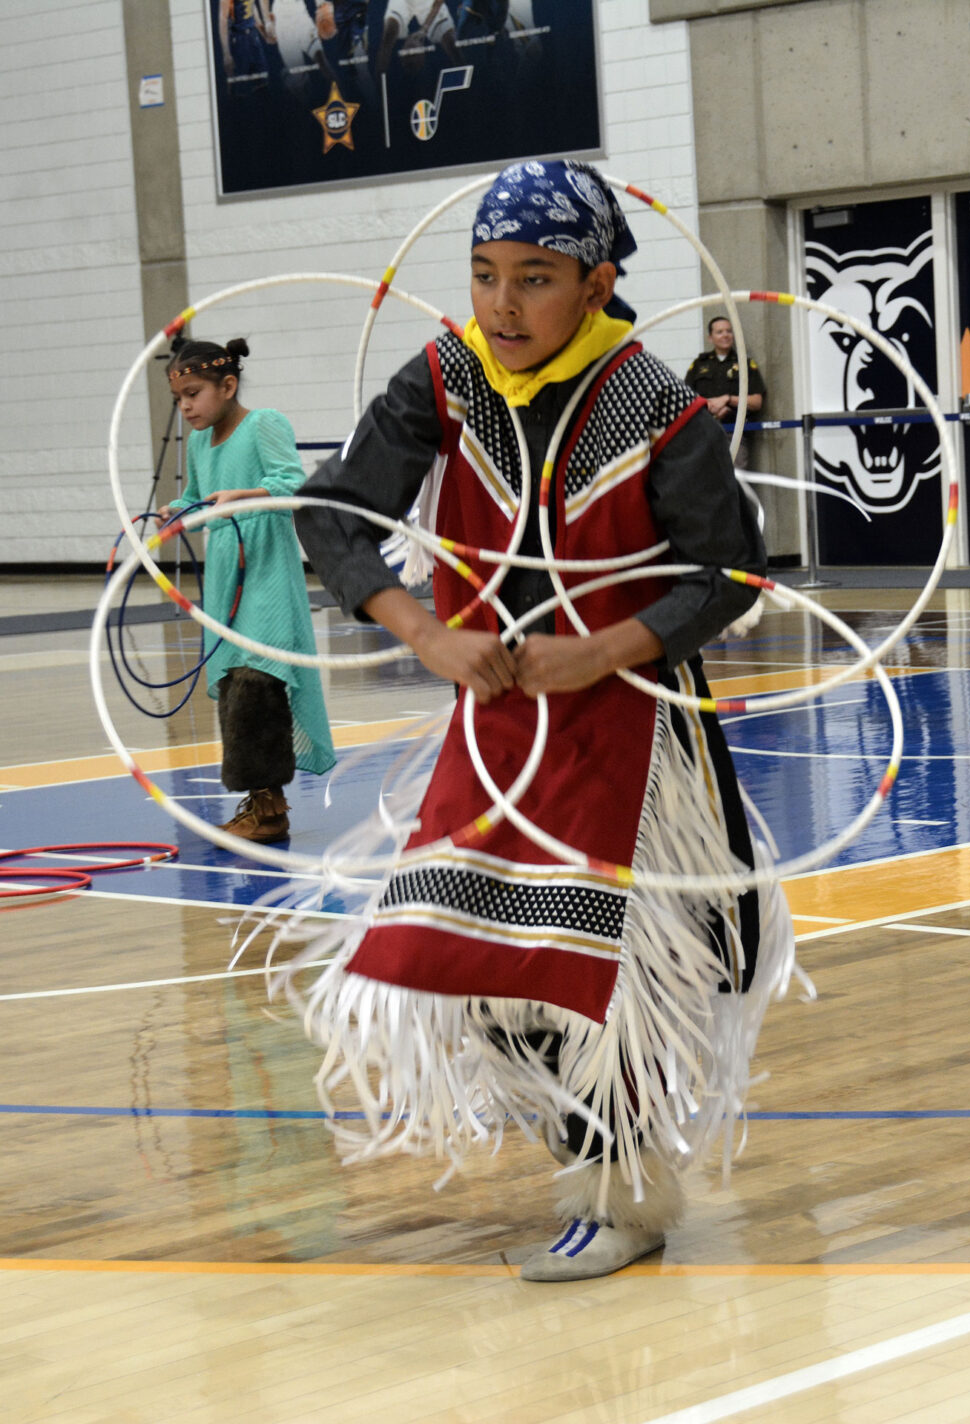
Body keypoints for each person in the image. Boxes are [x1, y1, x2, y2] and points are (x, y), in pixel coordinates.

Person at [289, 159, 794, 1281]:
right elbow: (329, 517)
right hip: (494, 726)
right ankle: (584, 1164)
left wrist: (602, 649)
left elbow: (729, 573)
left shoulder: (656, 402)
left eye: (535, 277)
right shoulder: (447, 377)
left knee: (604, 981)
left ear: (598, 279)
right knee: (477, 960)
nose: (503, 305)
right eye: (483, 276)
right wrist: (422, 631)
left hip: (633, 730)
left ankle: (622, 1195)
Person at [161, 338, 335, 843]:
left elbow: (295, 486)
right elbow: (200, 502)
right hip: (225, 579)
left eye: (193, 393)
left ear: (228, 385)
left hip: (267, 576)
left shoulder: (265, 425)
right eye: (179, 399)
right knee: (237, 686)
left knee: (259, 682)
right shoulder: (197, 444)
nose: (186, 406)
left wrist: (247, 496)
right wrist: (181, 510)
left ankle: (269, 811)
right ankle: (264, 804)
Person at [684, 315, 767, 469]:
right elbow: (685, 400)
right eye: (720, 332)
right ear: (710, 337)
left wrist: (728, 399)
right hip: (704, 433)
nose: (725, 335)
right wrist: (709, 407)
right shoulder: (699, 364)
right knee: (706, 482)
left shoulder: (745, 363)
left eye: (729, 331)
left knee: (737, 482)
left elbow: (756, 402)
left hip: (734, 434)